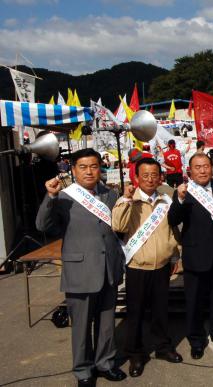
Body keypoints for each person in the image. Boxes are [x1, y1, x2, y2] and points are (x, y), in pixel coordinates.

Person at [36, 148, 127, 386]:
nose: (89, 171)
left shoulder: (110, 194)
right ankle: (83, 370)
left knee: (107, 324)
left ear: (100, 168)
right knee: (82, 326)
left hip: (108, 269)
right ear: (73, 170)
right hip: (80, 271)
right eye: (83, 167)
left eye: (94, 166)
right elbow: (42, 225)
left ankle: (105, 363)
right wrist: (50, 197)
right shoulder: (64, 197)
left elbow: (118, 228)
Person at [111, 158, 182, 378]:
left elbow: (173, 232)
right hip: (137, 266)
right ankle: (136, 353)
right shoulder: (128, 200)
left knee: (161, 310)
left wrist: (174, 255)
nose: (150, 179)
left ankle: (162, 347)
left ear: (160, 176)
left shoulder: (165, 200)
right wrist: (125, 199)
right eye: (145, 175)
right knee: (136, 313)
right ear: (136, 177)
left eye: (154, 175)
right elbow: (118, 226)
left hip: (161, 265)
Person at [168, 153, 213, 360]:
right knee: (194, 300)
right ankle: (196, 340)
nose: (202, 170)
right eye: (197, 167)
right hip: (195, 254)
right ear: (190, 170)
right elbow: (173, 219)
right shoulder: (184, 192)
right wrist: (180, 200)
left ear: (212, 168)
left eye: (206, 166)